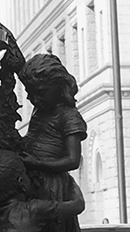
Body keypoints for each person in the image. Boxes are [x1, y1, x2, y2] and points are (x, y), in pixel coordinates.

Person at [18, 54, 87, 232]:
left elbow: (73, 160)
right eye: (29, 93)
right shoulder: (39, 112)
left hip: (53, 187)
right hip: (32, 180)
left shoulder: (68, 115)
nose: (33, 99)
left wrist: (38, 163)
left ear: (58, 87)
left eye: (40, 92)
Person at [0, 149, 85, 231]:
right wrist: (68, 180)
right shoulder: (33, 210)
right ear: (21, 183)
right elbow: (78, 205)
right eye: (26, 174)